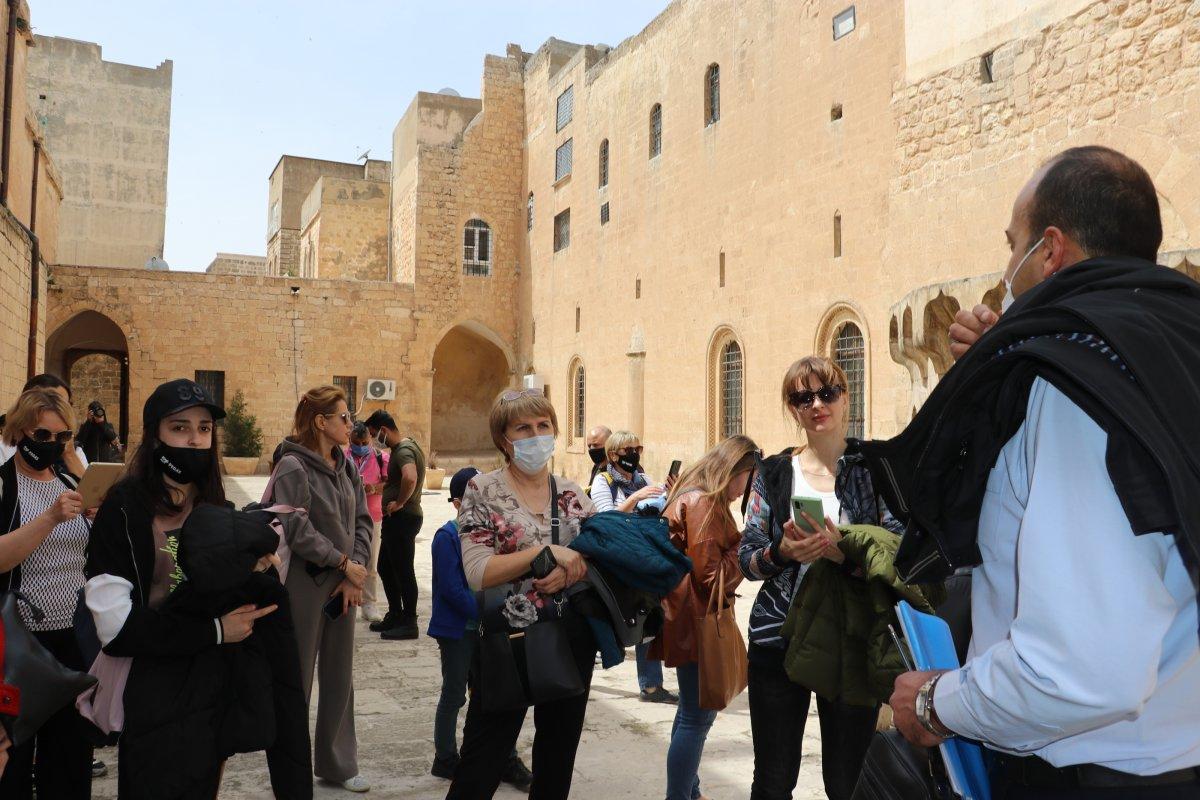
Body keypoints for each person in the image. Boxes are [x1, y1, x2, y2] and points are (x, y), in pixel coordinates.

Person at [881, 147, 1200, 797]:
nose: (1006, 269)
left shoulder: (1082, 377)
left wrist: (938, 704)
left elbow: (1082, 670)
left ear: (1049, 251)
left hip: (1097, 772)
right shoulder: (1171, 348)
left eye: (1012, 245)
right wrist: (1000, 363)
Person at [85, 378, 310, 799]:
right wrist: (216, 631)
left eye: (204, 429)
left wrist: (252, 566)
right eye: (180, 427)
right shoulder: (124, 508)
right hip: (153, 687)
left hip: (210, 685)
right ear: (155, 435)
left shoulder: (214, 505)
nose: (193, 439)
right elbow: (115, 629)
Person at [737, 356, 903, 800]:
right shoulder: (772, 474)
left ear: (846, 398)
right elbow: (747, 558)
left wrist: (843, 553)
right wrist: (783, 551)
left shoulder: (874, 469)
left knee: (847, 780)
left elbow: (899, 555)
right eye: (803, 397)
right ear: (792, 409)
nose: (817, 405)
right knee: (773, 778)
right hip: (779, 638)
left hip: (851, 637)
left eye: (827, 393)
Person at [446, 389, 596, 800]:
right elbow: (478, 572)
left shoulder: (572, 494)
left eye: (543, 426)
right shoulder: (483, 490)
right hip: (505, 643)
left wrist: (569, 573)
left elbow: (594, 562)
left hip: (568, 640)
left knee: (556, 760)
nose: (536, 435)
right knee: (482, 759)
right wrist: (545, 554)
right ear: (504, 439)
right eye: (523, 428)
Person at [272, 385, 373, 793]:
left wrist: (355, 571)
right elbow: (296, 527)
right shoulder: (293, 466)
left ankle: (336, 763)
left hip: (344, 583)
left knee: (339, 673)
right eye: (344, 417)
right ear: (321, 422)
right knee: (298, 676)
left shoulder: (347, 466)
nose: (351, 424)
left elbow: (363, 520)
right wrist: (341, 562)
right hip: (306, 584)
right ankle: (291, 768)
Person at [651, 434, 760, 800]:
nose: (747, 489)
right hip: (696, 619)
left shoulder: (694, 492)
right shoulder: (704, 502)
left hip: (688, 615)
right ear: (737, 471)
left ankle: (689, 790)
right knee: (697, 719)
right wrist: (748, 544)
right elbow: (711, 576)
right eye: (750, 479)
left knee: (690, 714)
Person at [0, 389, 93, 799]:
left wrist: (99, 517)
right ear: (19, 431)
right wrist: (52, 517)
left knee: (69, 760)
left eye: (62, 437)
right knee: (13, 758)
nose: (52, 445)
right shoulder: (4, 486)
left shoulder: (72, 481)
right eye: (42, 434)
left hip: (73, 639)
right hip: (19, 644)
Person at [428, 466, 533, 790]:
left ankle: (504, 758)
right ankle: (446, 758)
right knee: (454, 693)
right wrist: (488, 611)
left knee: (497, 693)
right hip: (460, 630)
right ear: (458, 503)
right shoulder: (446, 537)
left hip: (489, 627)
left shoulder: (491, 535)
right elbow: (452, 588)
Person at [588, 430, 676, 704]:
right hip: (614, 565)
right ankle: (578, 675)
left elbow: (664, 513)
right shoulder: (603, 482)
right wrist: (636, 498)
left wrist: (671, 494)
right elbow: (606, 519)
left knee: (647, 619)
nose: (634, 454)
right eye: (629, 449)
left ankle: (651, 686)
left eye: (638, 447)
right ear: (613, 455)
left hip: (643, 561)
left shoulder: (644, 479)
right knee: (608, 621)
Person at [363, 410, 426, 640]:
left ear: (384, 430)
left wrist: (399, 502)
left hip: (402, 518)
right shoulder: (408, 446)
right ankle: (396, 614)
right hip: (399, 519)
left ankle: (409, 622)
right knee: (386, 568)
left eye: (374, 434)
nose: (374, 439)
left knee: (403, 571)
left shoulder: (404, 451)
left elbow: (410, 477)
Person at [0, 374, 88, 478]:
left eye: (63, 404)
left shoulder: (75, 452)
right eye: (42, 434)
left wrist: (69, 455)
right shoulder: (4, 451)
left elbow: (90, 491)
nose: (56, 408)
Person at [345, 422, 388, 623]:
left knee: (371, 562)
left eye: (364, 442)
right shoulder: (342, 457)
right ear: (350, 440)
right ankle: (346, 600)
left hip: (372, 516)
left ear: (370, 440)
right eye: (356, 442)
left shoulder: (380, 457)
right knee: (345, 560)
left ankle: (369, 603)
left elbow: (388, 483)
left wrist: (374, 488)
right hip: (346, 517)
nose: (360, 445)